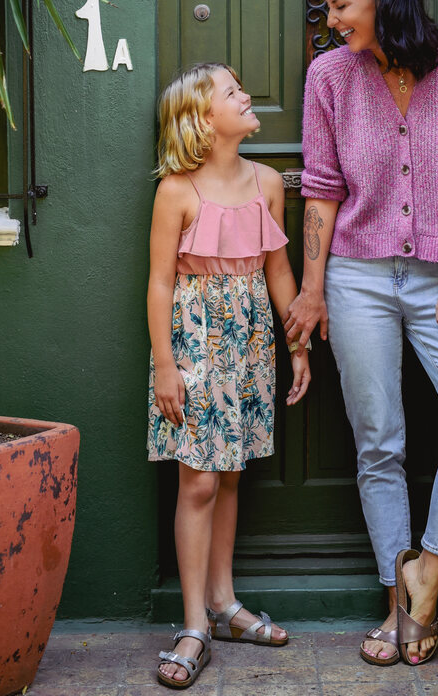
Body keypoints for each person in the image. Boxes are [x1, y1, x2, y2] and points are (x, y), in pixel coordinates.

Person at [284, 0, 438, 667]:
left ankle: (426, 579)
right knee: (379, 442)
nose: (333, 19)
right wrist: (312, 291)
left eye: (343, 5)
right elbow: (320, 191)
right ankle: (397, 607)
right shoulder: (329, 77)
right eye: (329, 9)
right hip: (353, 277)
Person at [147, 63, 311, 689]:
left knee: (231, 474)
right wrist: (165, 363)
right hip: (194, 343)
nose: (246, 95)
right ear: (201, 118)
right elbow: (160, 282)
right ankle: (194, 625)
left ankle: (224, 601)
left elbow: (278, 272)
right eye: (232, 90)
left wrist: (298, 345)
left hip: (248, 344)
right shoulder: (176, 190)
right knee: (198, 485)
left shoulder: (268, 182)